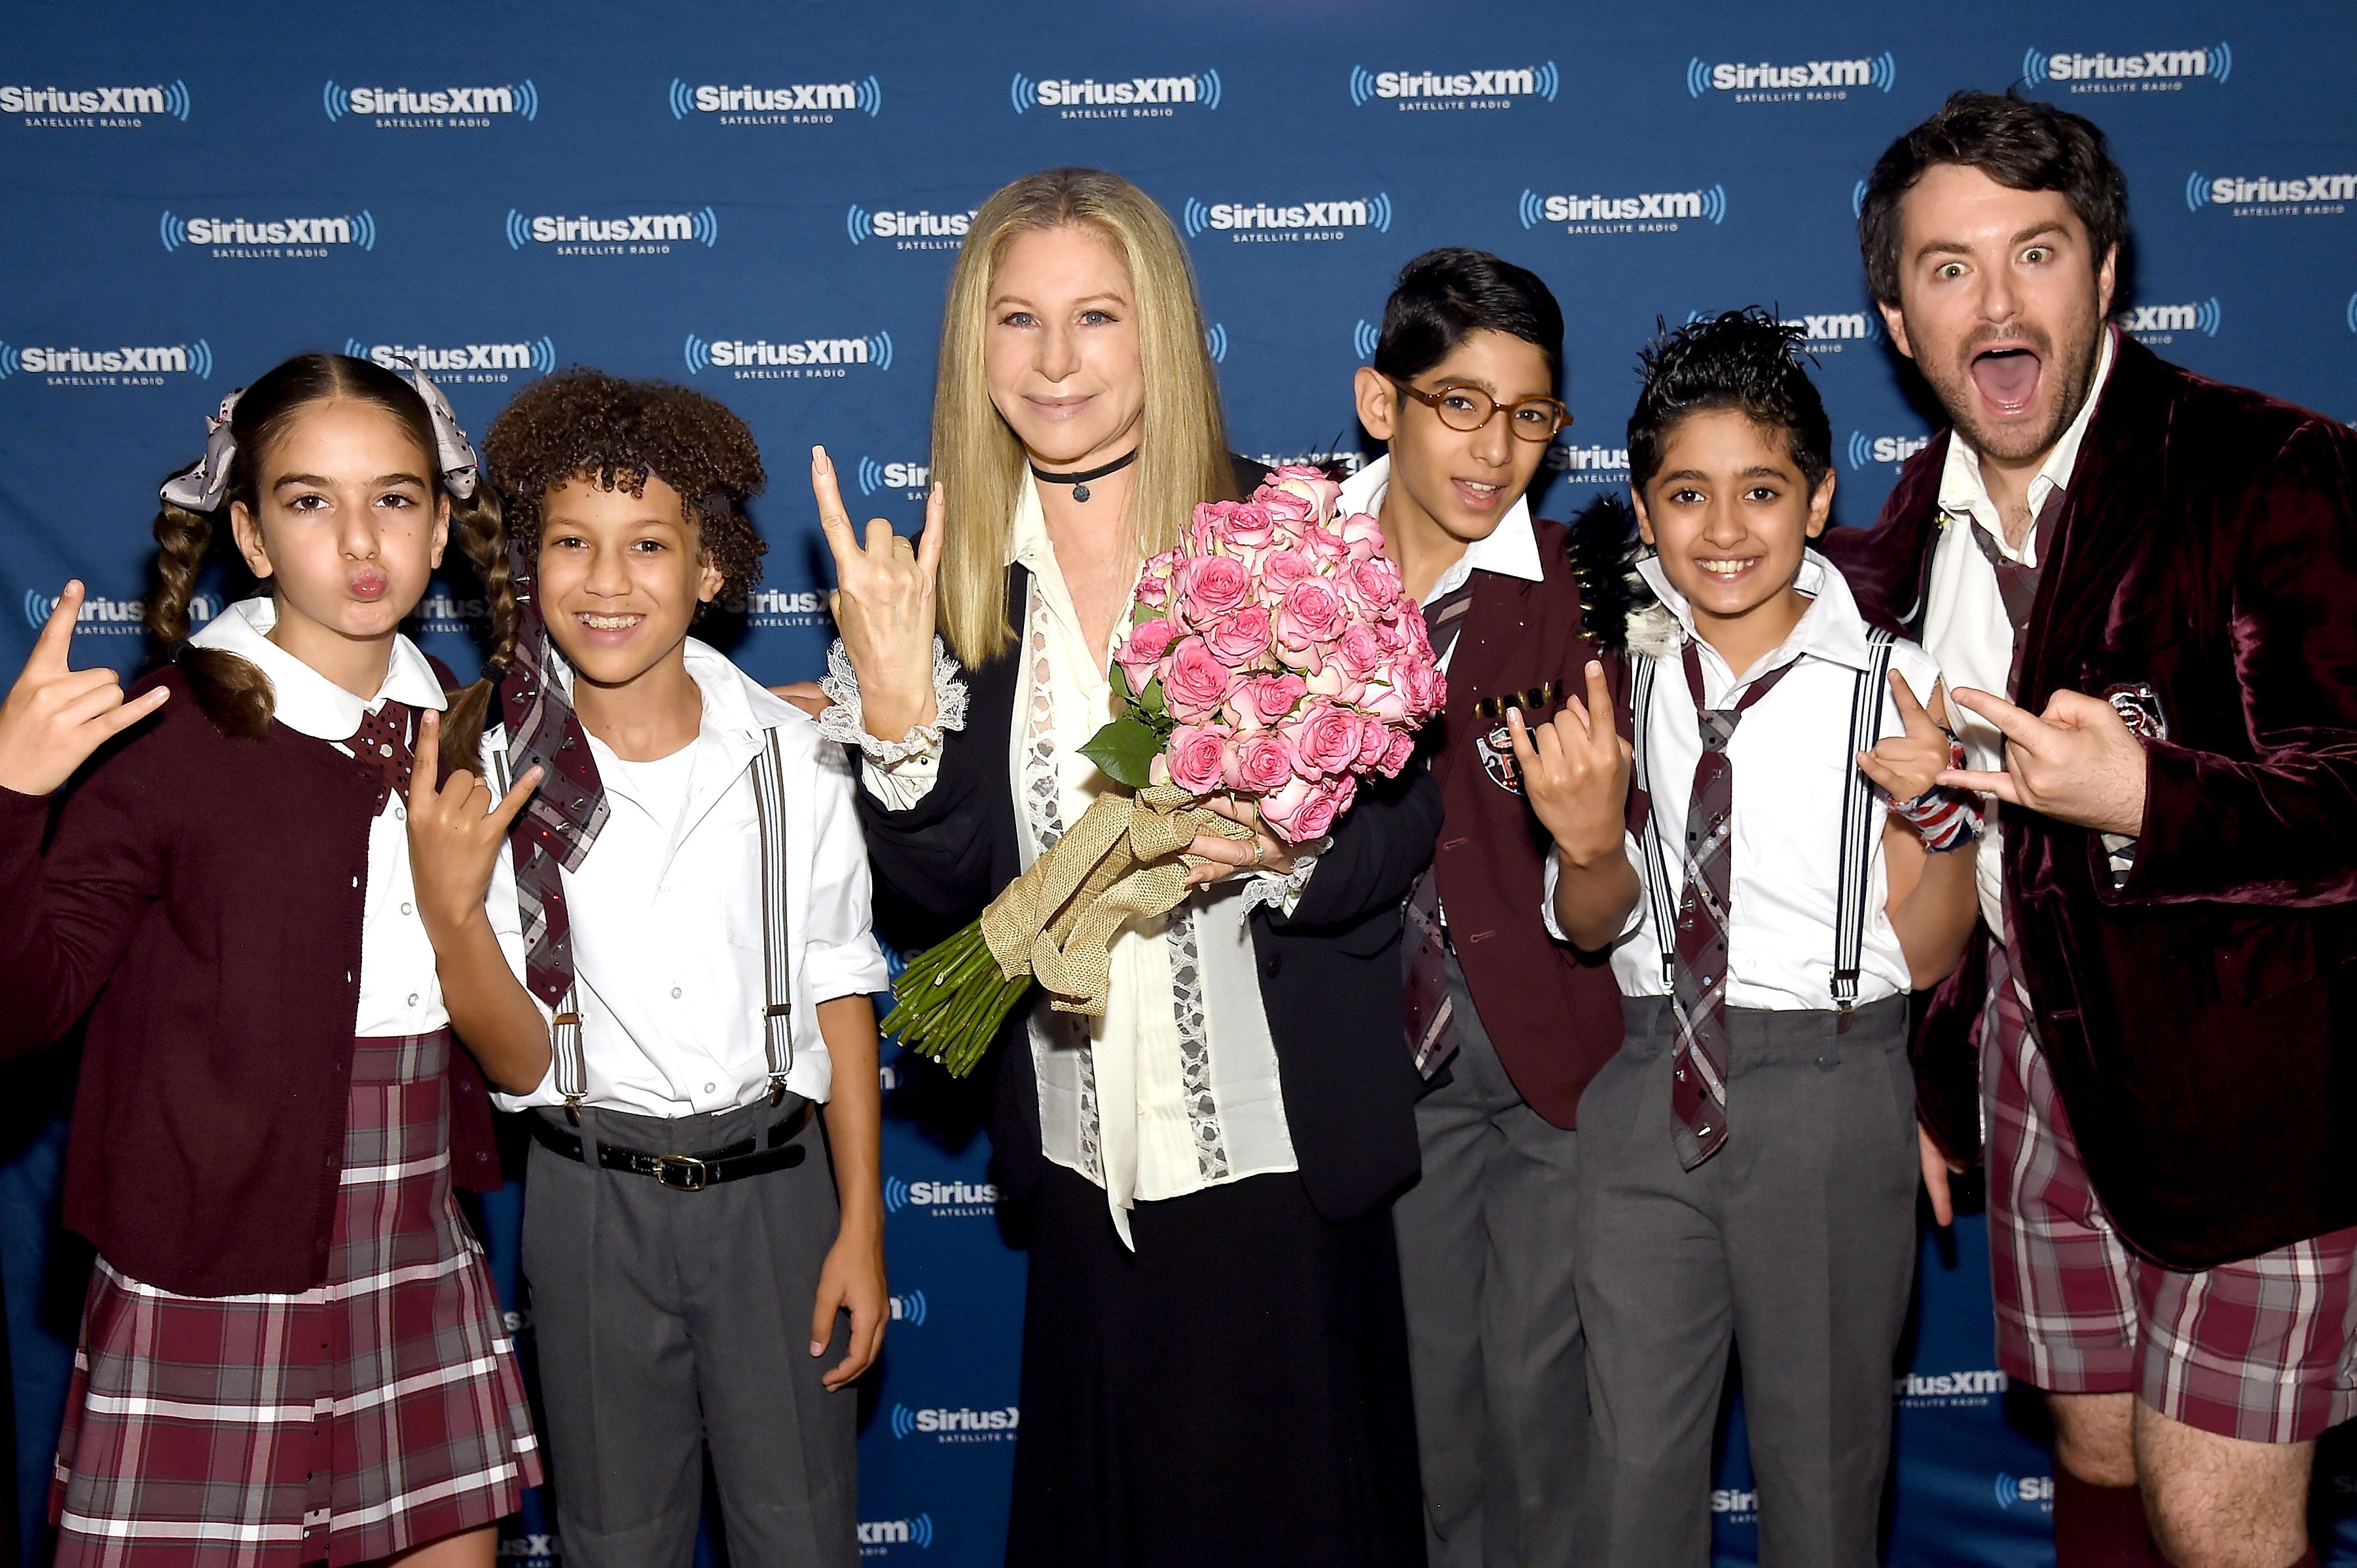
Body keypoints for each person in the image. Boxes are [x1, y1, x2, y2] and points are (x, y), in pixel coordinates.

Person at [812, 166, 1435, 1566]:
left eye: (1094, 316)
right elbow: (941, 891)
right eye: (1016, 319)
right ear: (974, 345)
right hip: (1091, 1178)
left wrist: (1294, 842)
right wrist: (901, 724)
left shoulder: (1292, 538)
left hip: (1283, 1166)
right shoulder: (957, 582)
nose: (1054, 360)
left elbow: (1407, 825)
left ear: (1159, 328)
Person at [1823, 90, 2357, 1568]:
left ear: (2106, 272)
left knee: (2216, 1513)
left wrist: (2143, 796)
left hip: (2248, 1090)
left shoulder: (2265, 471)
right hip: (2031, 1060)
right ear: (1897, 315)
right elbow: (1955, 855)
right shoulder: (1898, 536)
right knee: (2100, 1445)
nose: (1996, 304)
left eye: (2037, 253)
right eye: (1948, 269)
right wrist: (1937, 1078)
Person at [0, 352, 545, 1566]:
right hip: (208, 1251)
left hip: (415, 1240)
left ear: (444, 521)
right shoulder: (166, 734)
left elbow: (515, 1052)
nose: (360, 537)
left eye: (396, 498)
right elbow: (21, 1011)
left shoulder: (464, 729)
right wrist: (7, 799)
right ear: (248, 534)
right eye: (309, 501)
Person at [403, 369, 891, 1567]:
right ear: (527, 565)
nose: (607, 582)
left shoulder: (794, 753)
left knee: (802, 1535)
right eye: (571, 543)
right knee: (613, 1540)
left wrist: (862, 1224)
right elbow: (520, 1059)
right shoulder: (494, 769)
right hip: (587, 1199)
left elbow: (839, 987)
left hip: (778, 1192)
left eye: (649, 545)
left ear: (710, 568)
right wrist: (454, 916)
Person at [1533, 310, 1980, 1568]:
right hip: (1644, 1086)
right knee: (1629, 1480)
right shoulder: (1606, 673)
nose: (1725, 531)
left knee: (1825, 1480)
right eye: (1688, 495)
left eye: (1762, 491)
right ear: (1644, 503)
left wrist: (1940, 820)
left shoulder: (1896, 680)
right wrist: (1580, 845)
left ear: (1820, 495)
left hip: (1832, 1092)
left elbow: (1936, 952)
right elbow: (1591, 929)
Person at [1343, 246, 1617, 1568]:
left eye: (1530, 415)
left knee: (1543, 1414)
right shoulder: (1281, 572)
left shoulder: (1588, 583)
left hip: (1551, 1051)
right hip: (1376, 1067)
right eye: (1460, 402)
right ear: (1380, 402)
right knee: (1433, 1419)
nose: (1494, 446)